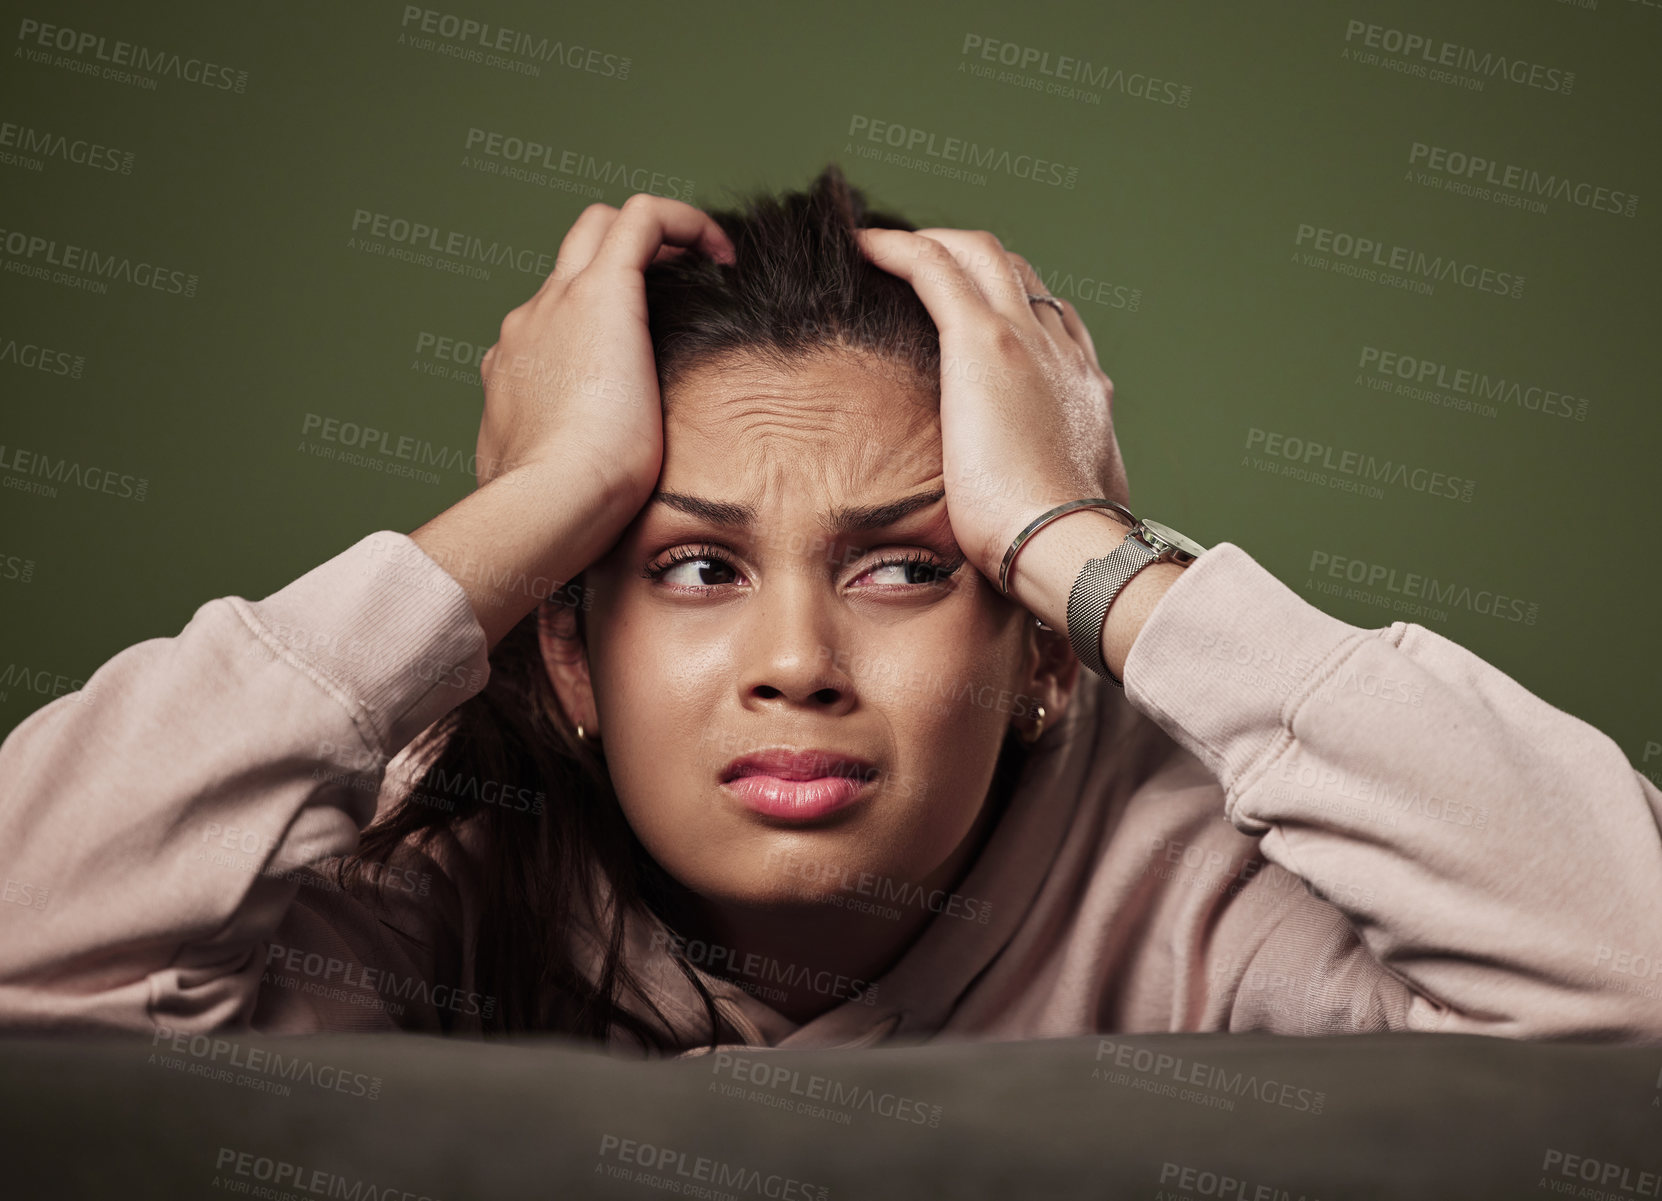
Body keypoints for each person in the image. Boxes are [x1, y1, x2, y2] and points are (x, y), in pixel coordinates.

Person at [1, 165, 1657, 1054]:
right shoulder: (435, 907)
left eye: (907, 565)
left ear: (1042, 663)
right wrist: (516, 519)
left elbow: (1632, 988)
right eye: (695, 567)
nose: (795, 666)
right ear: (567, 652)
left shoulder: (1205, 910)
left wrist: (1086, 545)